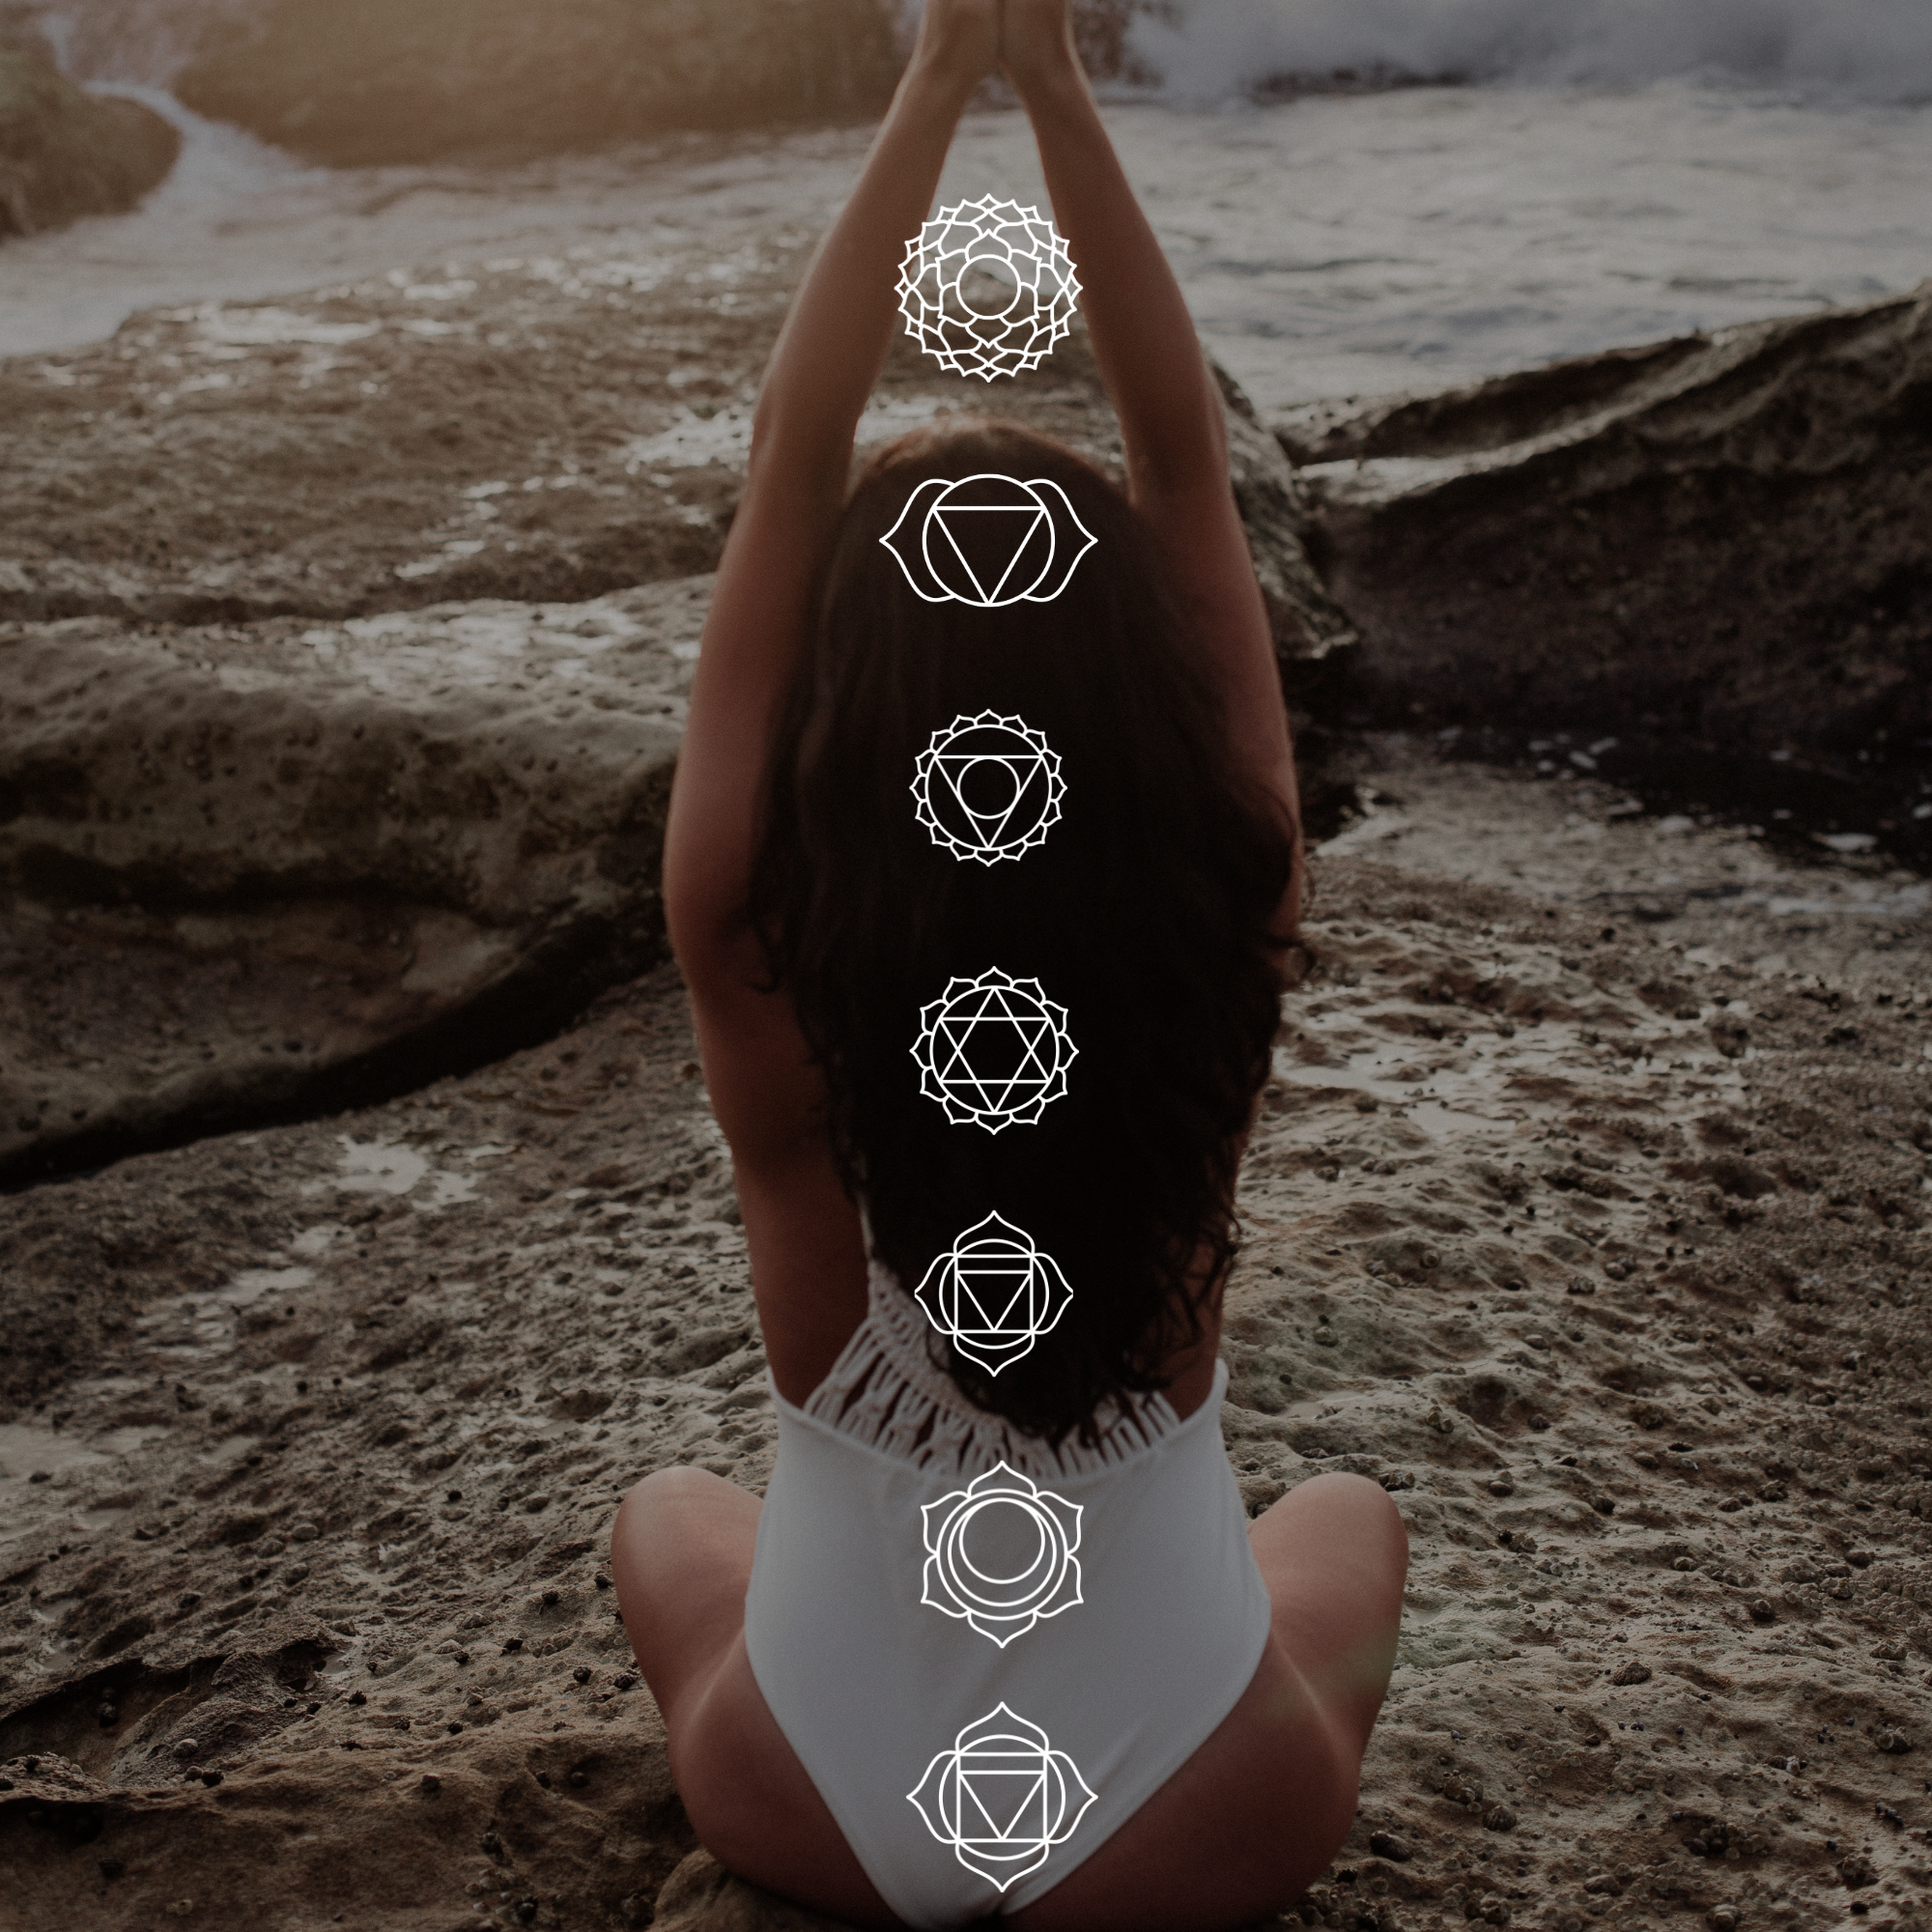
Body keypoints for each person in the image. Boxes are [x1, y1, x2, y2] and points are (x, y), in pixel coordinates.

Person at [610, 3, 1408, 1927]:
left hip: (813, 1793)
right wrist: (1046, 75)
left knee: (663, 1519)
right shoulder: (1226, 900)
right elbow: (1180, 460)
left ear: (844, 722)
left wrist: (924, 81)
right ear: (1130, 706)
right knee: (1352, 1521)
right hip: (1195, 1809)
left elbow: (791, 469)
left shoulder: (750, 940)